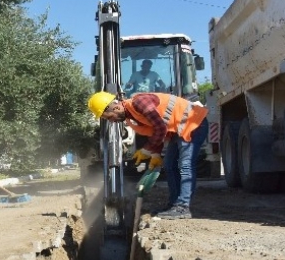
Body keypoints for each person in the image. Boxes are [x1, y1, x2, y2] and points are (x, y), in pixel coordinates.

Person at [87, 91, 209, 219]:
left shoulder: (139, 102)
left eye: (109, 117)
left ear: (116, 107)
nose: (112, 121)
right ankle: (174, 204)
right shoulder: (131, 118)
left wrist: (147, 149)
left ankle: (183, 207)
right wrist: (155, 153)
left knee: (185, 166)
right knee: (169, 166)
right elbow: (155, 132)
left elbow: (160, 127)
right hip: (178, 130)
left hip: (193, 123)